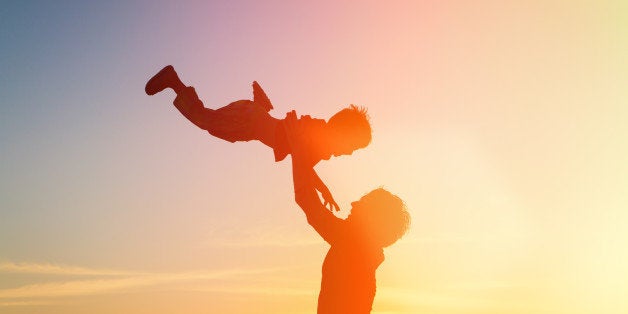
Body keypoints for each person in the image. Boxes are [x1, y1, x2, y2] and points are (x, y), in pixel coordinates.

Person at [145, 65, 372, 210]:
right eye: (352, 146)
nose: (349, 152)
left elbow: (304, 166)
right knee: (207, 120)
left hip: (252, 124)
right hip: (250, 120)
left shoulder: (320, 142)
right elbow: (302, 160)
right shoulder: (318, 133)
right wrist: (321, 190)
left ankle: (262, 106)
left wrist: (324, 190)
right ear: (341, 134)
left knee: (220, 130)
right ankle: (174, 81)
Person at [284, 111, 410, 313]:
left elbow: (306, 199)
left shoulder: (350, 245)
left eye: (361, 203)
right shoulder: (361, 253)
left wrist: (297, 147)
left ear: (371, 219)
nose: (352, 204)